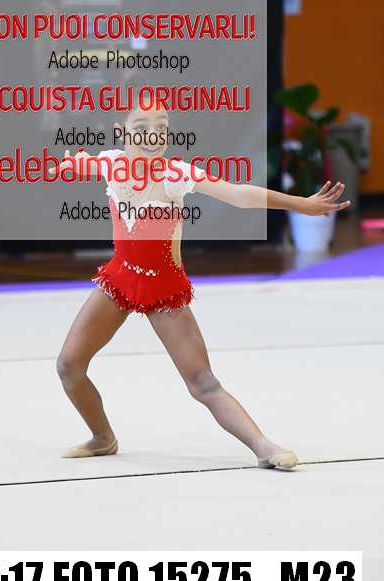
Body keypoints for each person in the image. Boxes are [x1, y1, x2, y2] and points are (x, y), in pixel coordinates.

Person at [53, 101, 349, 469]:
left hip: (163, 290)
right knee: (68, 365)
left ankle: (264, 446)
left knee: (202, 383)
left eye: (162, 126)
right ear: (121, 131)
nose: (153, 134)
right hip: (120, 278)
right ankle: (103, 438)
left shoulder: (175, 175)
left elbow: (239, 194)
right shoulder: (112, 162)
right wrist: (74, 164)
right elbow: (90, 163)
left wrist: (299, 204)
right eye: (142, 126)